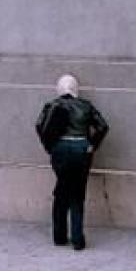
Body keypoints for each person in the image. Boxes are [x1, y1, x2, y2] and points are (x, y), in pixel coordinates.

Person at [35, 74, 109, 251]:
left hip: (60, 151)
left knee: (61, 191)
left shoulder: (51, 105)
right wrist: (92, 145)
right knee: (77, 193)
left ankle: (59, 236)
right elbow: (103, 126)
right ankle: (78, 239)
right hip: (81, 150)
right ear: (76, 89)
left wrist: (51, 146)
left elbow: (39, 126)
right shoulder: (86, 106)